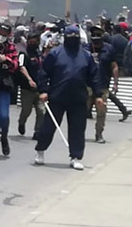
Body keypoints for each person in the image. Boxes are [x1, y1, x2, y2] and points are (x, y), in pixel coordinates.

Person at [34, 25, 104, 170]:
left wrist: (98, 95)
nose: (73, 40)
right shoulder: (55, 53)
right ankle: (40, 150)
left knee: (78, 129)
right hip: (57, 97)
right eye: (70, 37)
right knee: (48, 127)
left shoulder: (86, 56)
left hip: (78, 98)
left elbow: (94, 77)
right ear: (65, 38)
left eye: (75, 37)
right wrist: (43, 90)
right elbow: (43, 73)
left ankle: (76, 156)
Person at [17, 29, 44, 137]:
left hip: (40, 87)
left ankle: (37, 131)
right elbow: (21, 66)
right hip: (27, 88)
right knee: (26, 111)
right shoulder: (23, 53)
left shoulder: (39, 53)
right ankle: (21, 123)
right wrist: (29, 79)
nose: (33, 44)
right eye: (31, 42)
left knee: (41, 111)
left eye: (35, 42)